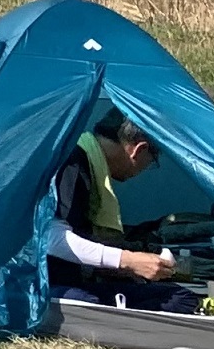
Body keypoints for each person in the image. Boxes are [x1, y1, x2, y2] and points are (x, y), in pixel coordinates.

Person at [50, 112, 204, 312]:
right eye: (153, 160)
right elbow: (52, 238)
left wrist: (123, 266)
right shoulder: (71, 165)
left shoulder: (85, 159)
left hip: (71, 276)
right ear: (140, 150)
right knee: (91, 306)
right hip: (39, 283)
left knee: (180, 297)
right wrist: (128, 261)